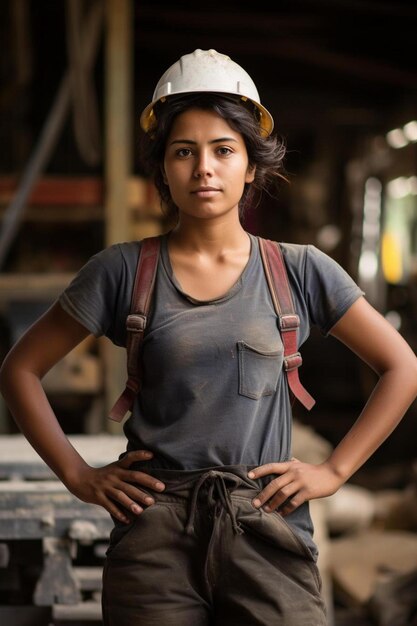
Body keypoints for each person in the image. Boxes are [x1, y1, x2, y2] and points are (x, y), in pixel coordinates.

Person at [1, 48, 417, 626]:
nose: (204, 168)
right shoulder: (121, 271)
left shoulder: (299, 269)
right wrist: (79, 474)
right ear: (163, 170)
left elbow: (403, 367)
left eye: (224, 150)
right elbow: (19, 370)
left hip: (266, 521)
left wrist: (334, 472)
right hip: (155, 529)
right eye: (183, 152)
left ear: (251, 166)